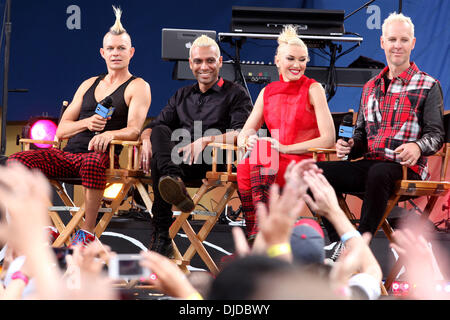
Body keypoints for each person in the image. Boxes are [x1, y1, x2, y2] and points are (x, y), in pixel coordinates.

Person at [6, 6, 151, 247]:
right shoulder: (88, 84)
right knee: (17, 161)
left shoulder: (138, 86)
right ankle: (43, 225)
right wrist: (86, 122)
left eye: (122, 48)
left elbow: (134, 129)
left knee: (93, 161)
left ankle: (87, 232)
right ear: (102, 53)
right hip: (69, 155)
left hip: (101, 157)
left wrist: (110, 133)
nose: (116, 53)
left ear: (131, 52)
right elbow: (61, 131)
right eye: (111, 49)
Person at [316, 12, 445, 260]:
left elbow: (436, 135)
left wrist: (417, 147)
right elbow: (362, 136)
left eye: (404, 40)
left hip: (406, 168)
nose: (398, 45)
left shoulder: (428, 85)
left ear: (413, 43)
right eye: (392, 39)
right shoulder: (370, 87)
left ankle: (360, 248)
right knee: (313, 173)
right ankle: (341, 242)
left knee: (378, 172)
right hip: (372, 164)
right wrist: (350, 145)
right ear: (382, 42)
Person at [140, 35, 252, 257]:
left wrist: (207, 140)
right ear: (190, 64)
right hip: (180, 161)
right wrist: (145, 139)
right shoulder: (182, 94)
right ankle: (174, 180)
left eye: (210, 61)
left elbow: (242, 135)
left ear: (220, 62)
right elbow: (157, 126)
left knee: (159, 163)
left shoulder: (236, 93)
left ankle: (161, 236)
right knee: (159, 131)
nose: (204, 67)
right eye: (198, 61)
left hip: (214, 160)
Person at [236, 25, 335, 242]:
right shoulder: (267, 92)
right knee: (257, 150)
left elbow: (329, 139)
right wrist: (248, 140)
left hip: (302, 163)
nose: (297, 65)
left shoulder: (313, 88)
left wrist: (284, 148)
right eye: (291, 58)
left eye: (303, 59)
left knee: (261, 151)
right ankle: (259, 229)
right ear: (277, 61)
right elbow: (244, 133)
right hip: (270, 164)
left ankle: (260, 231)